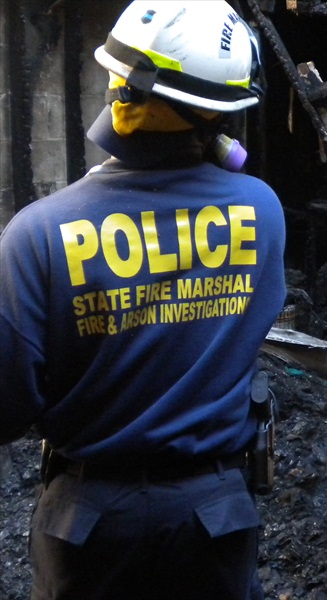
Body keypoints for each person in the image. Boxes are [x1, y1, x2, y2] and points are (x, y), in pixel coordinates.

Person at [0, 2, 285, 599]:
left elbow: (10, 407)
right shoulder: (261, 211)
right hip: (217, 516)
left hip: (87, 521)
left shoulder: (36, 234)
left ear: (116, 83)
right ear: (215, 113)